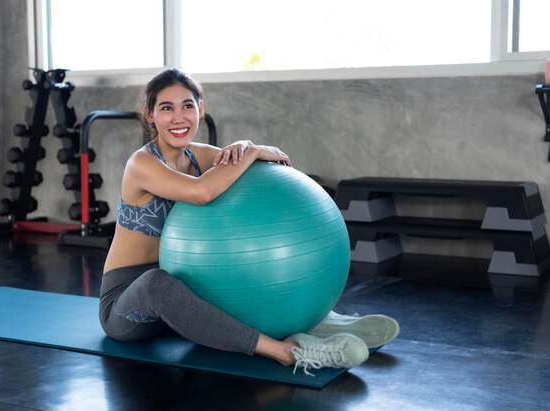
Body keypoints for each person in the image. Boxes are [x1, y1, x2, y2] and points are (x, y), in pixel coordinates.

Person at [99, 68, 399, 376]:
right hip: (128, 300)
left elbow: (259, 163)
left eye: (187, 105)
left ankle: (314, 320)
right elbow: (201, 192)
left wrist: (248, 146)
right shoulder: (141, 163)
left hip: (181, 289)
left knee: (225, 273)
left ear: (200, 110)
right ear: (150, 115)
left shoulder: (196, 156)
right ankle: (284, 351)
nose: (179, 117)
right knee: (155, 284)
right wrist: (250, 152)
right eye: (166, 108)